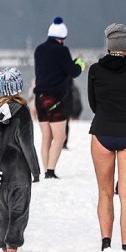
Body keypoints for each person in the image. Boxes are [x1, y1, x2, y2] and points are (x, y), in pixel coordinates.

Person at [88, 24, 126, 252]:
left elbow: (93, 105)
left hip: (102, 132)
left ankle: (106, 242)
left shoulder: (94, 71)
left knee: (104, 192)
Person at [0, 67, 40, 252]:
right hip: (18, 173)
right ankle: (12, 248)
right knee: (18, 212)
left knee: (1, 214)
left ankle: (3, 250)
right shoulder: (21, 111)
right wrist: (35, 170)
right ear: (18, 86)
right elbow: (27, 144)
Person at [33, 17, 84, 180]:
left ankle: (45, 168)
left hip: (39, 98)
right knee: (60, 137)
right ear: (62, 38)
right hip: (54, 98)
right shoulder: (62, 51)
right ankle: (50, 171)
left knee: (46, 136)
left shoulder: (39, 50)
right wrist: (80, 64)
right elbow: (73, 71)